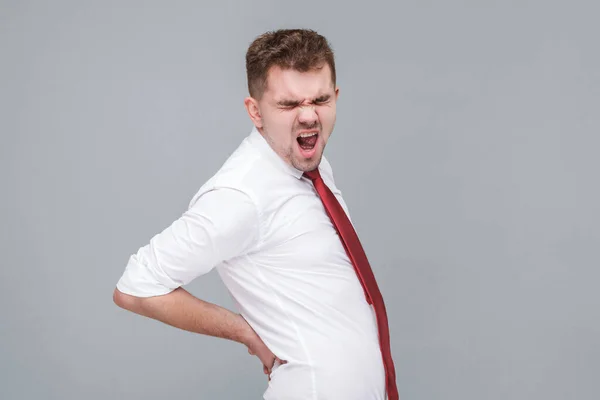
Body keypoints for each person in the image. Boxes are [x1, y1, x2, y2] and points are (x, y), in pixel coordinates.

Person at [113, 28, 398, 400]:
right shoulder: (240, 194)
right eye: (289, 105)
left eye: (320, 99)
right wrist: (246, 332)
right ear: (255, 111)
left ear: (336, 97)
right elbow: (135, 287)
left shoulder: (310, 165)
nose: (309, 116)